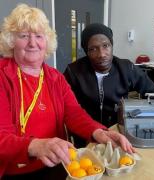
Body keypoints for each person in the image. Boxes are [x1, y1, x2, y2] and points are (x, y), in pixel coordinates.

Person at [0, 4, 135, 180]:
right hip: (15, 171)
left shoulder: (54, 77)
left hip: (60, 163)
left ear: (46, 42)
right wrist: (35, 146)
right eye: (24, 36)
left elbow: (74, 113)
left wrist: (98, 131)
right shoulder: (3, 77)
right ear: (11, 41)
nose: (32, 43)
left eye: (39, 36)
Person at [64, 23, 154, 129]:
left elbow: (152, 94)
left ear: (112, 45)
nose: (102, 54)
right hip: (86, 132)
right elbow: (64, 106)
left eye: (106, 46)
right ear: (86, 51)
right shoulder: (73, 72)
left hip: (118, 130)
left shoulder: (126, 68)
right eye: (93, 49)